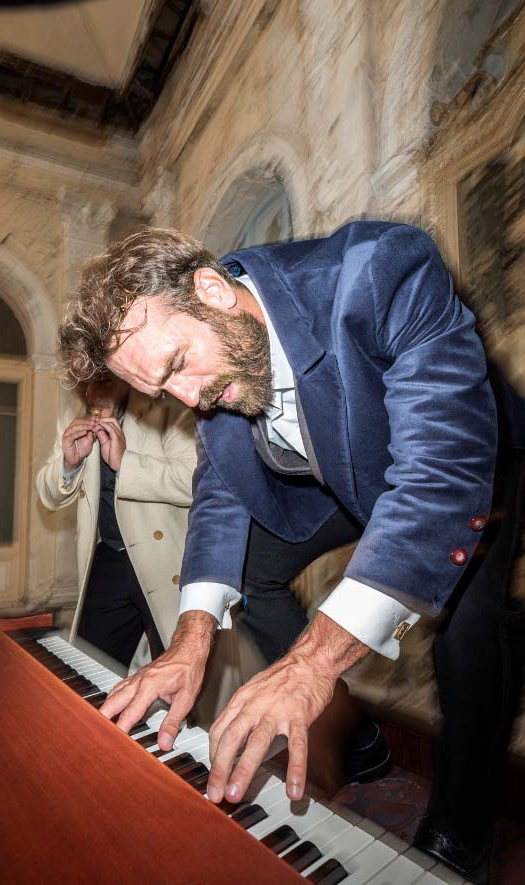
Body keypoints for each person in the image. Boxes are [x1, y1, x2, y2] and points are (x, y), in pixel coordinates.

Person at [59, 224, 524, 884]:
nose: (188, 399)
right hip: (347, 475)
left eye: (177, 365)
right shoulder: (212, 356)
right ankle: (357, 739)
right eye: (164, 391)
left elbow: (440, 472)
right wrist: (191, 641)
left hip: (474, 462)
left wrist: (313, 663)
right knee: (249, 571)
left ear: (213, 290)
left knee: (468, 628)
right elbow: (220, 491)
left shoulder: (379, 271)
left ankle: (460, 832)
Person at [36, 375, 197, 668]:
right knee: (88, 665)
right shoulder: (73, 417)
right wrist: (69, 465)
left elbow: (194, 481)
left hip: (164, 559)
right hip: (110, 555)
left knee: (175, 664)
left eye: (103, 382)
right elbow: (48, 495)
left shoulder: (169, 410)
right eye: (85, 383)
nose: (93, 393)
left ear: (125, 378)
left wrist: (126, 463)